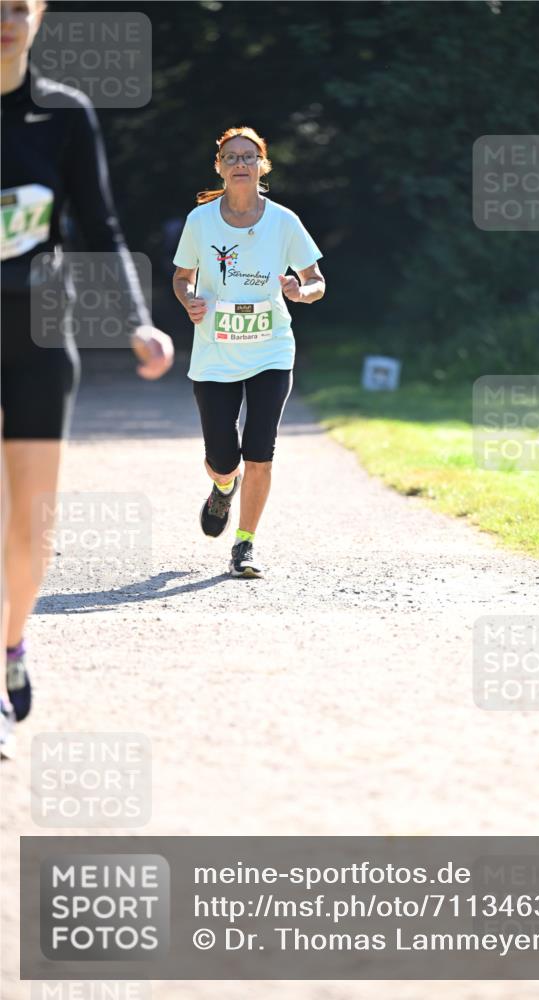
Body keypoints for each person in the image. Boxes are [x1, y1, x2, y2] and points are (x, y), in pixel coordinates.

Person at [1, 0, 174, 757]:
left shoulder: (65, 115)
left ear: (37, 18)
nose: (4, 20)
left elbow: (101, 225)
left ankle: (11, 648)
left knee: (31, 522)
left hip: (40, 333)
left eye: (16, 7)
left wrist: (137, 319)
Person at [172, 125, 325, 579]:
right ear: (219, 167)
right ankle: (223, 486)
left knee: (261, 452)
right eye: (232, 157)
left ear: (263, 165)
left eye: (249, 156)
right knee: (224, 457)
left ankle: (245, 545)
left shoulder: (284, 221)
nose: (241, 163)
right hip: (215, 353)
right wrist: (188, 299)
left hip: (271, 351)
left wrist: (302, 292)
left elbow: (316, 281)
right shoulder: (200, 222)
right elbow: (182, 278)